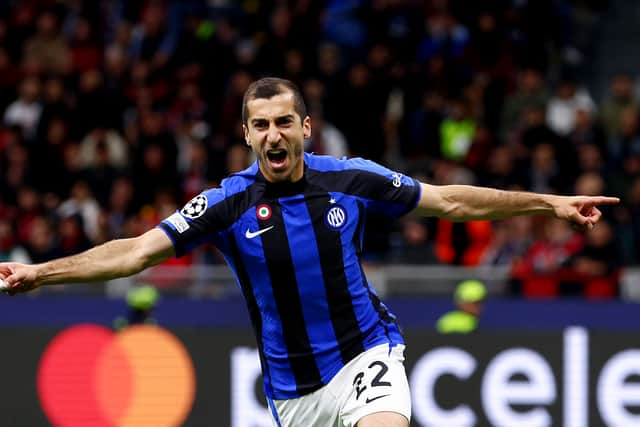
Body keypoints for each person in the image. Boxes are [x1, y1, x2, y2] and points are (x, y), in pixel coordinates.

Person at [0, 77, 619, 427]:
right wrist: (40, 273)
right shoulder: (225, 203)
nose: (274, 135)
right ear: (246, 134)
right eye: (261, 124)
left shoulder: (350, 178)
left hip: (365, 357)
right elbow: (135, 252)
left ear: (305, 128)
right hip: (293, 393)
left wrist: (548, 204)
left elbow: (451, 202)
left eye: (284, 122)